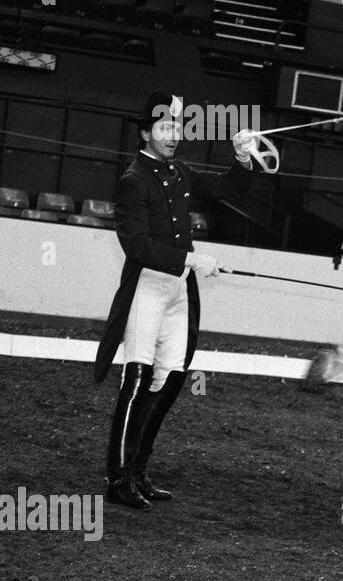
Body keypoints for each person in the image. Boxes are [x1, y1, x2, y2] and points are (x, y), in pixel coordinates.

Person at [93, 92, 262, 509]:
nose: (173, 135)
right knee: (136, 379)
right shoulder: (134, 180)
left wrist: (242, 158)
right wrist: (191, 258)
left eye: (177, 128)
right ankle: (117, 476)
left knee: (170, 379)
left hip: (178, 290)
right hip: (147, 288)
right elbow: (136, 245)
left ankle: (137, 470)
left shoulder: (179, 171)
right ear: (146, 133)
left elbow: (227, 189)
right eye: (165, 128)